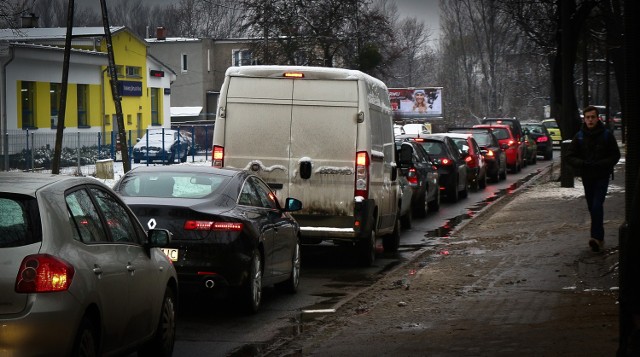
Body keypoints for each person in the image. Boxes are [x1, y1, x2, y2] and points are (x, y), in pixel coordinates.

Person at [565, 105, 621, 252]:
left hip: (602, 176)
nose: (590, 120)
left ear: (597, 118)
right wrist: (582, 164)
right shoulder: (580, 136)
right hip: (587, 176)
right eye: (587, 117)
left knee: (596, 205)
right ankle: (599, 238)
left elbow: (615, 155)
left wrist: (602, 164)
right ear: (585, 119)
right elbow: (569, 156)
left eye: (592, 117)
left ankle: (596, 237)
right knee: (592, 207)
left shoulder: (606, 135)